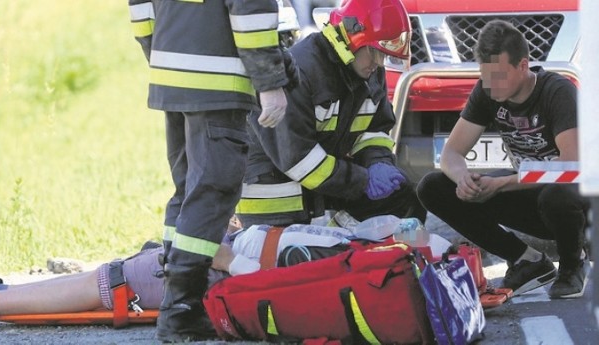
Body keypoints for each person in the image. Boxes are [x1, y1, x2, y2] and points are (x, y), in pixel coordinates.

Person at [127, 0, 298, 342]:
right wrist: (269, 83)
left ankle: (179, 303)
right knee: (211, 192)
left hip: (171, 76)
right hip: (219, 86)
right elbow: (251, 15)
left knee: (190, 192)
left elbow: (140, 11)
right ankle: (181, 312)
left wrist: (162, 56)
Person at [0, 218, 445, 331]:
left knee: (104, 284)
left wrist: (203, 246)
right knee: (108, 278)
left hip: (208, 270)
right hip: (217, 259)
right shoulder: (351, 256)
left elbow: (249, 275)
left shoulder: (332, 257)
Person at [416, 20, 590, 299]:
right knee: (432, 186)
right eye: (485, 75)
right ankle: (527, 261)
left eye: (498, 75)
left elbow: (569, 167)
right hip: (533, 195)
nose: (490, 85)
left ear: (523, 66)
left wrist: (502, 183)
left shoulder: (558, 92)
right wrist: (464, 179)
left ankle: (573, 264)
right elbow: (451, 153)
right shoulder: (488, 91)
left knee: (556, 194)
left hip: (578, 204)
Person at [236, 0, 427, 230]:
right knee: (294, 258)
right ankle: (332, 250)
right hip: (275, 193)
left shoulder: (369, 72)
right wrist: (363, 180)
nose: (378, 64)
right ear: (353, 38)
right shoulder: (302, 70)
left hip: (329, 180)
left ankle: (367, 255)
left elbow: (376, 131)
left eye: (384, 57)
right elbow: (298, 159)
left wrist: (377, 162)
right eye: (375, 54)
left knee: (404, 200)